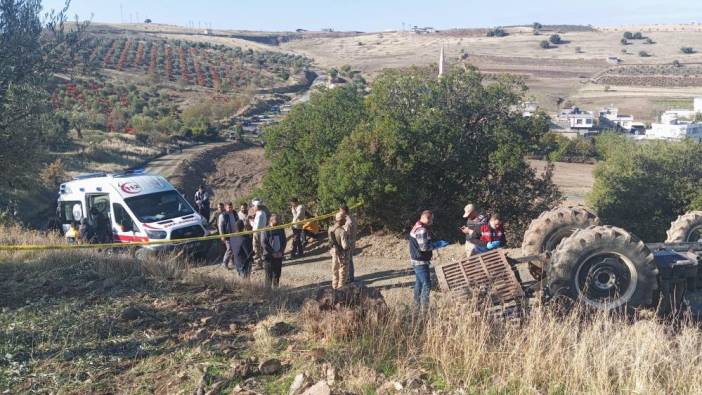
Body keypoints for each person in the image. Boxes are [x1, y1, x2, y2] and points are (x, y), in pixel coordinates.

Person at [409, 210, 434, 309]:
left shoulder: (416, 226)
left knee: (419, 283)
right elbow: (424, 247)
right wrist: (436, 245)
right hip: (420, 261)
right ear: (427, 218)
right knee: (427, 284)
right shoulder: (422, 230)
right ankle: (425, 308)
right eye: (432, 219)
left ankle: (416, 305)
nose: (432, 221)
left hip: (416, 259)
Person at [261, 214, 287, 288]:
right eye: (277, 219)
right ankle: (268, 293)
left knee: (277, 274)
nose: (278, 221)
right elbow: (264, 243)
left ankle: (275, 291)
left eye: (278, 219)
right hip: (268, 256)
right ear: (271, 220)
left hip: (279, 256)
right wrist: (272, 253)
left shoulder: (280, 228)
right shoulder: (265, 229)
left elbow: (284, 241)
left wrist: (281, 251)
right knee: (268, 276)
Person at [328, 212, 351, 289]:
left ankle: (334, 288)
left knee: (335, 271)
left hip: (333, 252)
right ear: (340, 220)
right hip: (341, 253)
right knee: (343, 273)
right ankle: (340, 289)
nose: (345, 221)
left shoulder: (330, 228)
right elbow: (345, 246)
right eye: (344, 220)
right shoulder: (342, 231)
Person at [218, 202, 242, 270]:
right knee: (229, 249)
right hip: (227, 235)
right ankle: (224, 263)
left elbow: (238, 221)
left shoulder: (234, 213)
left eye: (231, 207)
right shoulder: (222, 215)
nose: (230, 209)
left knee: (235, 248)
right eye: (229, 207)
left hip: (235, 234)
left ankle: (232, 262)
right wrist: (222, 236)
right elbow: (220, 226)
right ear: (225, 208)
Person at [340, 204, 357, 282]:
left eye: (340, 210)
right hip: (352, 241)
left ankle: (349, 278)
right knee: (349, 260)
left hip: (348, 242)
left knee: (348, 260)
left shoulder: (348, 220)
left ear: (344, 211)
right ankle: (350, 277)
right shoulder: (352, 218)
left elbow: (346, 232)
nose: (339, 212)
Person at [251, 199, 268, 267]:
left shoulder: (259, 214)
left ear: (257, 206)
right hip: (262, 232)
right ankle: (262, 262)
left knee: (256, 248)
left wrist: (250, 222)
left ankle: (258, 263)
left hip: (257, 233)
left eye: (253, 206)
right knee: (261, 248)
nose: (253, 208)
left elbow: (256, 226)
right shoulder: (263, 213)